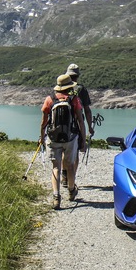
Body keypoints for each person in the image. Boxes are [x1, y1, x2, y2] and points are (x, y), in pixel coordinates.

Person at [40, 74, 87, 209]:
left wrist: (41, 137)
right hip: (70, 138)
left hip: (53, 138)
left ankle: (56, 197)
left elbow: (43, 122)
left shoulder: (50, 99)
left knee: (56, 167)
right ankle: (72, 191)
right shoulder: (74, 99)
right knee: (70, 165)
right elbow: (80, 121)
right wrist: (83, 139)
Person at [62, 63, 94, 189]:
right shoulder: (81, 89)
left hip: (62, 125)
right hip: (76, 126)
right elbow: (87, 110)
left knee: (64, 150)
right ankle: (71, 179)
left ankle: (64, 175)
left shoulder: (60, 89)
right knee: (74, 153)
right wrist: (90, 127)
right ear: (77, 76)